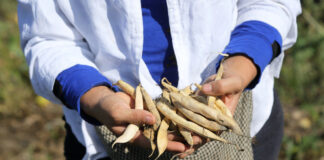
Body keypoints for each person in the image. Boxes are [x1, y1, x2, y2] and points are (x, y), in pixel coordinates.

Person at [18, 0, 301, 159]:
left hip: (245, 118)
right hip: (104, 126)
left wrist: (245, 59)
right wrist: (98, 97)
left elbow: (270, 3)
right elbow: (47, 37)